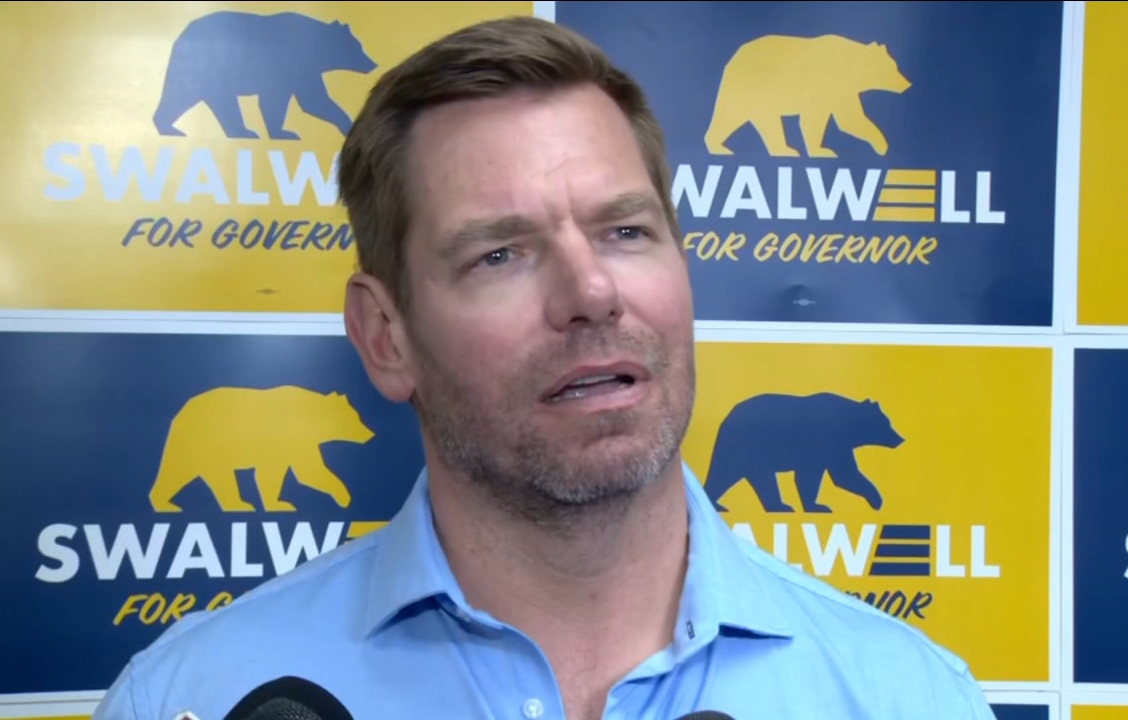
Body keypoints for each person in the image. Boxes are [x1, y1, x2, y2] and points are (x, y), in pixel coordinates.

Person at [92, 16, 996, 720]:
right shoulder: (192, 697)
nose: (592, 292)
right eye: (500, 254)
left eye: (626, 231)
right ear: (385, 337)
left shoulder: (909, 698)